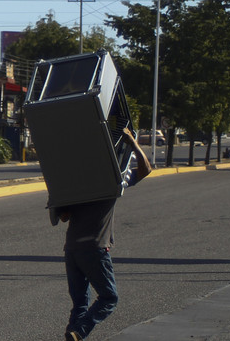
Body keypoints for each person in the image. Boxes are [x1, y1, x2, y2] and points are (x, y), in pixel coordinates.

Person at [56, 127, 152, 341]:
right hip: (94, 248)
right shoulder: (113, 177)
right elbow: (146, 169)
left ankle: (73, 334)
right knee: (109, 298)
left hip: (72, 248)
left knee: (80, 303)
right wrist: (133, 144)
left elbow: (62, 216)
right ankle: (80, 331)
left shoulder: (76, 180)